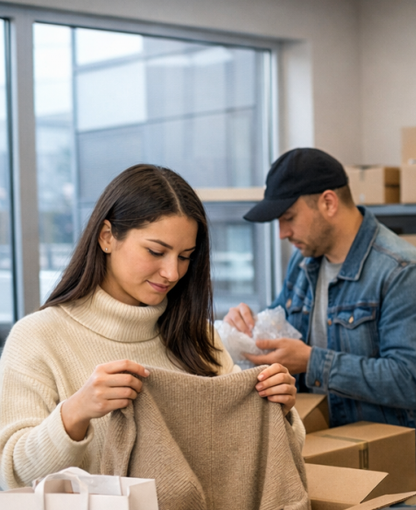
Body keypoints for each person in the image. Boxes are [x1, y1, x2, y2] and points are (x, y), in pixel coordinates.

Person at [0, 164, 296, 490]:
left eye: (185, 256)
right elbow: (11, 475)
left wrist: (278, 410)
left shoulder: (199, 337)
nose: (172, 273)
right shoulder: (37, 338)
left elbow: (258, 466)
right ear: (107, 237)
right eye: (156, 251)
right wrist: (74, 413)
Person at [224, 148, 416, 433]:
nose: (282, 233)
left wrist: (311, 362)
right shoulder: (302, 262)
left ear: (328, 203)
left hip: (382, 450)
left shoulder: (403, 271)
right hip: (316, 437)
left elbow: (411, 382)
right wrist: (248, 327)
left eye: (289, 217)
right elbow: (281, 331)